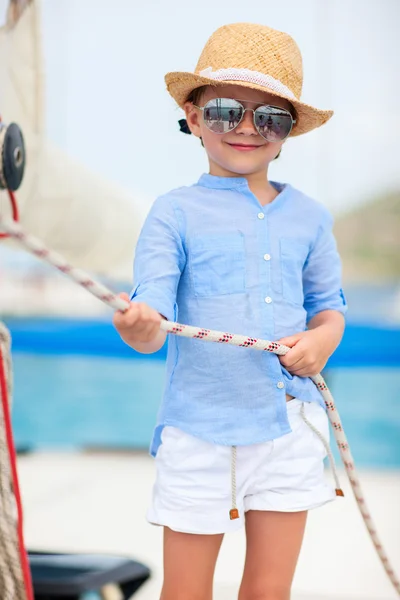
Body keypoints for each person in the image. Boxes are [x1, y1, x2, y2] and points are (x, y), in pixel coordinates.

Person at [113, 22, 347, 600]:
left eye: (269, 116)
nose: (247, 128)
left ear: (288, 132)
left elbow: (329, 309)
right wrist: (139, 326)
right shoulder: (172, 213)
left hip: (289, 425)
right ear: (192, 117)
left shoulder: (312, 217)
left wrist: (322, 341)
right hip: (199, 429)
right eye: (224, 111)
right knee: (186, 591)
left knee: (270, 591)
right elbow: (151, 320)